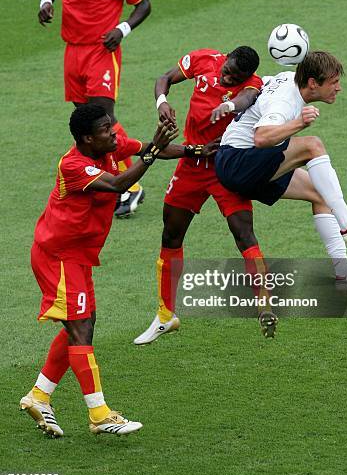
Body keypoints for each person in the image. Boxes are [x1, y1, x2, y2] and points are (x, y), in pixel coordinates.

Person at [20, 105, 215, 437]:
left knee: (82, 325)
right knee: (80, 329)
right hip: (58, 257)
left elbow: (151, 148)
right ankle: (99, 414)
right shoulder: (74, 165)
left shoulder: (110, 146)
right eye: (105, 130)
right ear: (87, 138)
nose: (114, 133)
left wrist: (196, 150)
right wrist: (152, 154)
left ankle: (39, 396)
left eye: (111, 128)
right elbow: (118, 184)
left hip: (78, 257)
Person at [133, 46, 281, 345]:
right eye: (226, 70)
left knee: (244, 234)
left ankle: (264, 304)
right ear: (224, 59)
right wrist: (162, 101)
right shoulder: (205, 59)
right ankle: (165, 316)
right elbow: (165, 78)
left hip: (226, 166)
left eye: (233, 76)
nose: (226, 77)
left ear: (246, 76)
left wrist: (228, 107)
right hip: (191, 164)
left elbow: (246, 99)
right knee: (171, 235)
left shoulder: (253, 84)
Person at [215, 51, 347, 288]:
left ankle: (345, 273)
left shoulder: (288, 78)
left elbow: (260, 85)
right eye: (334, 82)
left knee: (321, 193)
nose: (338, 88)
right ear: (312, 83)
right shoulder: (285, 102)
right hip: (237, 163)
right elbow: (261, 137)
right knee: (312, 145)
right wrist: (299, 123)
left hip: (239, 162)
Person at [38, 0, 151, 218]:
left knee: (104, 116)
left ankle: (130, 185)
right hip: (72, 51)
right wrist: (45, 3)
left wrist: (123, 29)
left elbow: (143, 4)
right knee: (84, 117)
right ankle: (107, 175)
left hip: (102, 51)